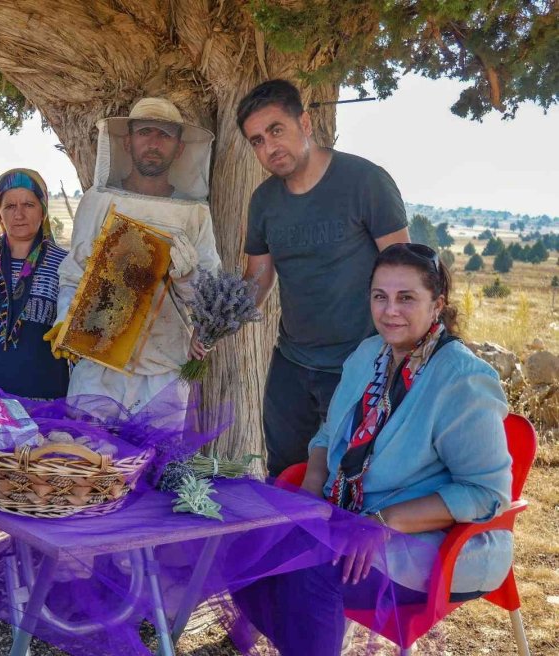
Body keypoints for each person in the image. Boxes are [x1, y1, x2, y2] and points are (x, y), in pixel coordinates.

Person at [236, 243, 513, 655]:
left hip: (432, 541)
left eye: (406, 298)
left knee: (308, 570)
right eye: (379, 296)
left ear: (437, 304)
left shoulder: (462, 380)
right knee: (243, 544)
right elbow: (328, 436)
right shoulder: (370, 354)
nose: (390, 311)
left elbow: (486, 494)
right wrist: (309, 499)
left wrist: (382, 522)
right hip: (346, 517)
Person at [231, 79, 411, 476]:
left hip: (360, 363)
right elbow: (257, 278)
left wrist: (406, 357)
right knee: (285, 472)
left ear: (306, 123)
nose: (269, 147)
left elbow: (405, 274)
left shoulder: (365, 182)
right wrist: (217, 322)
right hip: (292, 363)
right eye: (257, 140)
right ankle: (292, 540)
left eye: (276, 130)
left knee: (348, 477)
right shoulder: (263, 202)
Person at [48, 97, 221, 410]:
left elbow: (211, 297)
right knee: (90, 454)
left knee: (156, 459)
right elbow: (74, 272)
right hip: (98, 361)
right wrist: (65, 321)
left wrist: (187, 277)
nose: (153, 143)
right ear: (127, 142)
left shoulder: (195, 212)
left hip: (163, 366)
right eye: (145, 132)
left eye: (165, 135)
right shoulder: (98, 201)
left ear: (179, 148)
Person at [0, 168, 69, 399]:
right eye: (10, 206)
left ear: (43, 209)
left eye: (28, 205)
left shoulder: (66, 265)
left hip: (46, 400)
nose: (18, 215)